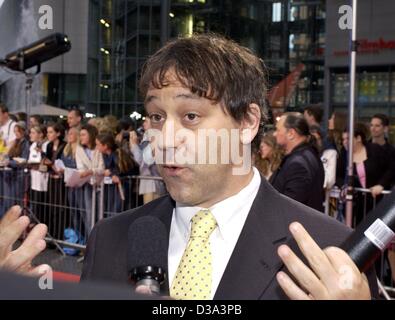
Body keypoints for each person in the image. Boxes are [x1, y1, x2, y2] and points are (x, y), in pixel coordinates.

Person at [79, 34, 378, 300]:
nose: (164, 139)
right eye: (156, 117)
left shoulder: (332, 254)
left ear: (247, 122)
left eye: (191, 116)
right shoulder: (108, 240)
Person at [336, 123, 393, 226]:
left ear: (358, 138)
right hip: (355, 206)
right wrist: (344, 187)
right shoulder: (344, 154)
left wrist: (381, 184)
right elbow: (338, 176)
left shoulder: (375, 150)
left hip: (376, 202)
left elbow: (391, 169)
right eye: (343, 139)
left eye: (348, 138)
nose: (345, 142)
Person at [270, 113, 325, 212]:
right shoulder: (308, 155)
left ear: (291, 133)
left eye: (277, 130)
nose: (274, 134)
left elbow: (290, 206)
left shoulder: (298, 164)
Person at [96, 132, 139, 213]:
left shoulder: (118, 154)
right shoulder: (105, 155)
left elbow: (123, 169)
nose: (96, 147)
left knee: (119, 209)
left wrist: (112, 173)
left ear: (105, 146)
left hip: (124, 186)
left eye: (98, 145)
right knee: (111, 209)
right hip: (114, 187)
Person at [75, 124, 104, 238]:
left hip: (101, 185)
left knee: (101, 214)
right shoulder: (79, 150)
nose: (80, 137)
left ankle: (101, 240)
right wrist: (92, 172)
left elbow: (102, 168)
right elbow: (81, 169)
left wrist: (91, 171)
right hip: (87, 185)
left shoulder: (99, 148)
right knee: (89, 214)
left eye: (83, 135)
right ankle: (91, 240)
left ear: (91, 135)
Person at [129, 117, 166, 204]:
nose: (143, 124)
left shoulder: (155, 140)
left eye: (146, 121)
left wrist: (134, 145)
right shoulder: (147, 140)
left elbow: (144, 162)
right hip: (149, 183)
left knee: (152, 213)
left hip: (153, 183)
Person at [369, 114, 395, 188]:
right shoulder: (363, 147)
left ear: (385, 129)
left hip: (383, 193)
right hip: (364, 193)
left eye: (377, 126)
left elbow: (391, 172)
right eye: (371, 125)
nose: (373, 128)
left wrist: (381, 185)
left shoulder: (391, 151)